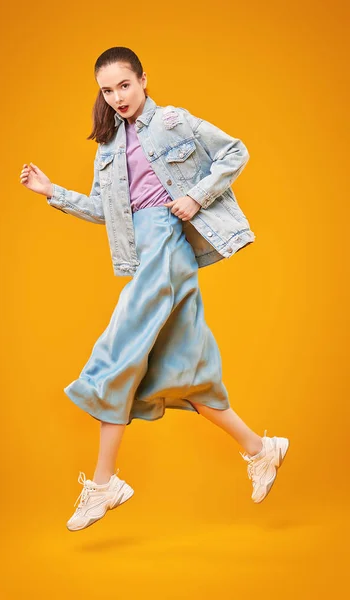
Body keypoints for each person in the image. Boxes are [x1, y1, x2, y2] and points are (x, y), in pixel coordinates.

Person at [19, 46, 289, 532]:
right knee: (183, 370)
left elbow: (235, 151)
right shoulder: (106, 146)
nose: (118, 96)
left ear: (143, 79)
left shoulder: (173, 123)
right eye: (107, 90)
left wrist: (194, 195)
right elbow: (106, 211)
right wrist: (52, 192)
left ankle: (104, 484)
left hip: (166, 245)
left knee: (117, 356)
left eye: (124, 84)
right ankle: (259, 448)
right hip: (144, 254)